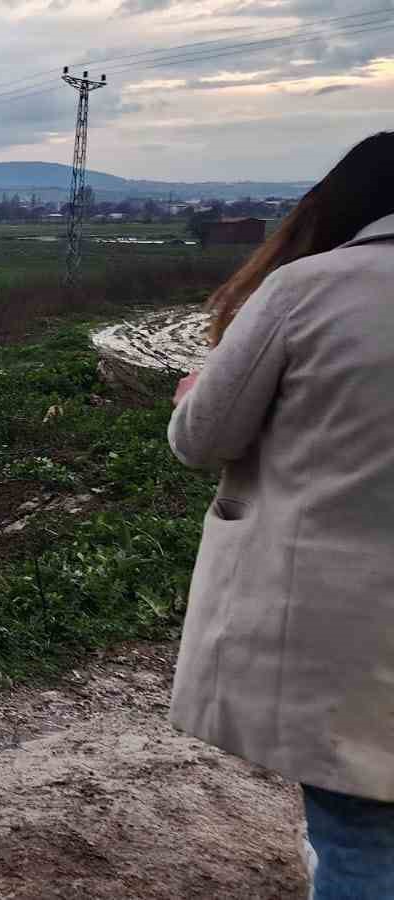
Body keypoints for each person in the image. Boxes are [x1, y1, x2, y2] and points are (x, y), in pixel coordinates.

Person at [168, 131, 394, 899]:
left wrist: (194, 395)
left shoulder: (307, 289)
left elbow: (202, 439)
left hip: (350, 630)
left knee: (362, 840)